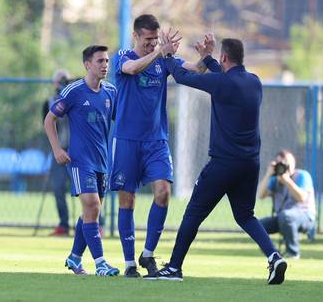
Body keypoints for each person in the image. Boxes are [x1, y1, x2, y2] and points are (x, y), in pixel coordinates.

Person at [155, 32, 287, 285]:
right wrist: (207, 57)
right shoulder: (255, 81)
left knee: (193, 213)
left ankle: (173, 268)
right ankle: (274, 256)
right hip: (250, 164)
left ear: (224, 56)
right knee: (245, 215)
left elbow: (183, 76)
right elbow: (225, 76)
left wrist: (168, 55)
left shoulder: (222, 83)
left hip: (224, 164)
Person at [110, 14, 207, 278]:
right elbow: (132, 69)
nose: (153, 44)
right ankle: (129, 263)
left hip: (156, 140)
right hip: (127, 140)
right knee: (127, 199)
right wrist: (160, 53)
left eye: (156, 39)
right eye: (148, 39)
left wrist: (205, 57)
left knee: (163, 192)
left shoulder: (163, 60)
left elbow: (194, 69)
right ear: (136, 36)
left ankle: (148, 254)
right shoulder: (122, 56)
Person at [44, 45, 119, 276]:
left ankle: (75, 258)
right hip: (79, 161)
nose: (105, 65)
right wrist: (57, 149)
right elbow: (49, 120)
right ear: (87, 64)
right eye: (100, 61)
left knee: (90, 213)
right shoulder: (73, 91)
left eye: (107, 61)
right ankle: (101, 264)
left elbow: (120, 122)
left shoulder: (111, 93)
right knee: (92, 206)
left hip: (102, 162)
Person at [258, 149, 316, 259]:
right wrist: (268, 174)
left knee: (286, 216)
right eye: (279, 164)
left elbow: (302, 198)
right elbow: (260, 195)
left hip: (305, 216)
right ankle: (273, 253)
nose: (283, 167)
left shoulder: (302, 175)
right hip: (283, 218)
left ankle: (293, 253)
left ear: (293, 164)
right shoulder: (275, 180)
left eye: (286, 163)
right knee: (259, 225)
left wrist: (287, 180)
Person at [42, 69, 72, 236]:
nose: (63, 83)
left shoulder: (77, 97)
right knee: (58, 188)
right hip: (59, 149)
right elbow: (46, 125)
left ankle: (97, 224)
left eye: (66, 80)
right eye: (61, 80)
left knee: (88, 190)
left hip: (77, 150)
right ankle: (64, 224)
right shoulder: (49, 101)